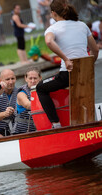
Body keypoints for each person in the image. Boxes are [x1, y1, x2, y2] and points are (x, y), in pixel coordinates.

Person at [36, 0, 99, 129]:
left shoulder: (52, 28)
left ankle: (56, 124)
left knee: (40, 88)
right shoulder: (82, 25)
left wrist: (65, 59)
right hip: (85, 74)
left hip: (68, 75)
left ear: (53, 13)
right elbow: (95, 50)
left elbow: (49, 42)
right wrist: (90, 66)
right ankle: (87, 122)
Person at [14, 68, 42, 134]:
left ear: (40, 78)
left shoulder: (44, 89)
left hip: (38, 128)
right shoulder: (21, 93)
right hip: (22, 131)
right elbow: (28, 105)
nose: (33, 81)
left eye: (35, 78)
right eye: (30, 78)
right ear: (26, 79)